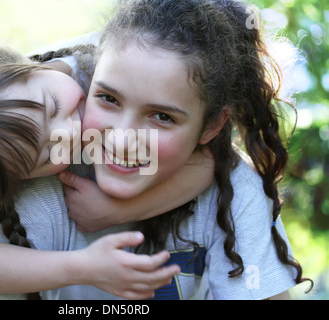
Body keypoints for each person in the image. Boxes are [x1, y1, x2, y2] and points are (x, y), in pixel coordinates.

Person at [58, 0, 314, 299]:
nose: (122, 141)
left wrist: (119, 210)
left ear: (212, 126)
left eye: (162, 117)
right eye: (108, 99)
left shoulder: (239, 194)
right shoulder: (46, 157)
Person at [0, 43, 213, 300]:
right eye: (48, 154)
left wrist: (116, 210)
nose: (67, 133)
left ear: (30, 66)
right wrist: (83, 266)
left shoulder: (108, 67)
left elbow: (208, 165)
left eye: (53, 106)